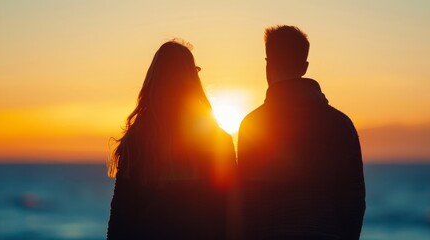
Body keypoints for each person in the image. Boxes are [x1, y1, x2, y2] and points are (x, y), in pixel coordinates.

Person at [237, 26, 366, 239]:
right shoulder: (341, 125)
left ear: (269, 65)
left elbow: (244, 201)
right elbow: (353, 202)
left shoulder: (253, 125)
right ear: (304, 67)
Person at [107, 41, 236, 239]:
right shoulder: (218, 141)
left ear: (154, 81)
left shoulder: (136, 143)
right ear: (192, 80)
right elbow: (228, 215)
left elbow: (121, 222)